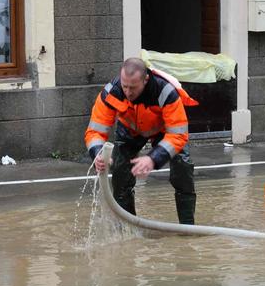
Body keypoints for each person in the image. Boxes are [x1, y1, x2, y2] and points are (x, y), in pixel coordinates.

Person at [85, 58, 199, 224]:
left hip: (164, 131)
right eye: (124, 86)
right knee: (120, 176)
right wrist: (97, 153)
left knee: (183, 168)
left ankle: (188, 226)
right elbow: (95, 130)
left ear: (145, 80)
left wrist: (153, 158)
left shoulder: (165, 91)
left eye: (133, 87)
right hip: (129, 130)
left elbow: (178, 135)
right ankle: (128, 229)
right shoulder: (112, 92)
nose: (128, 92)